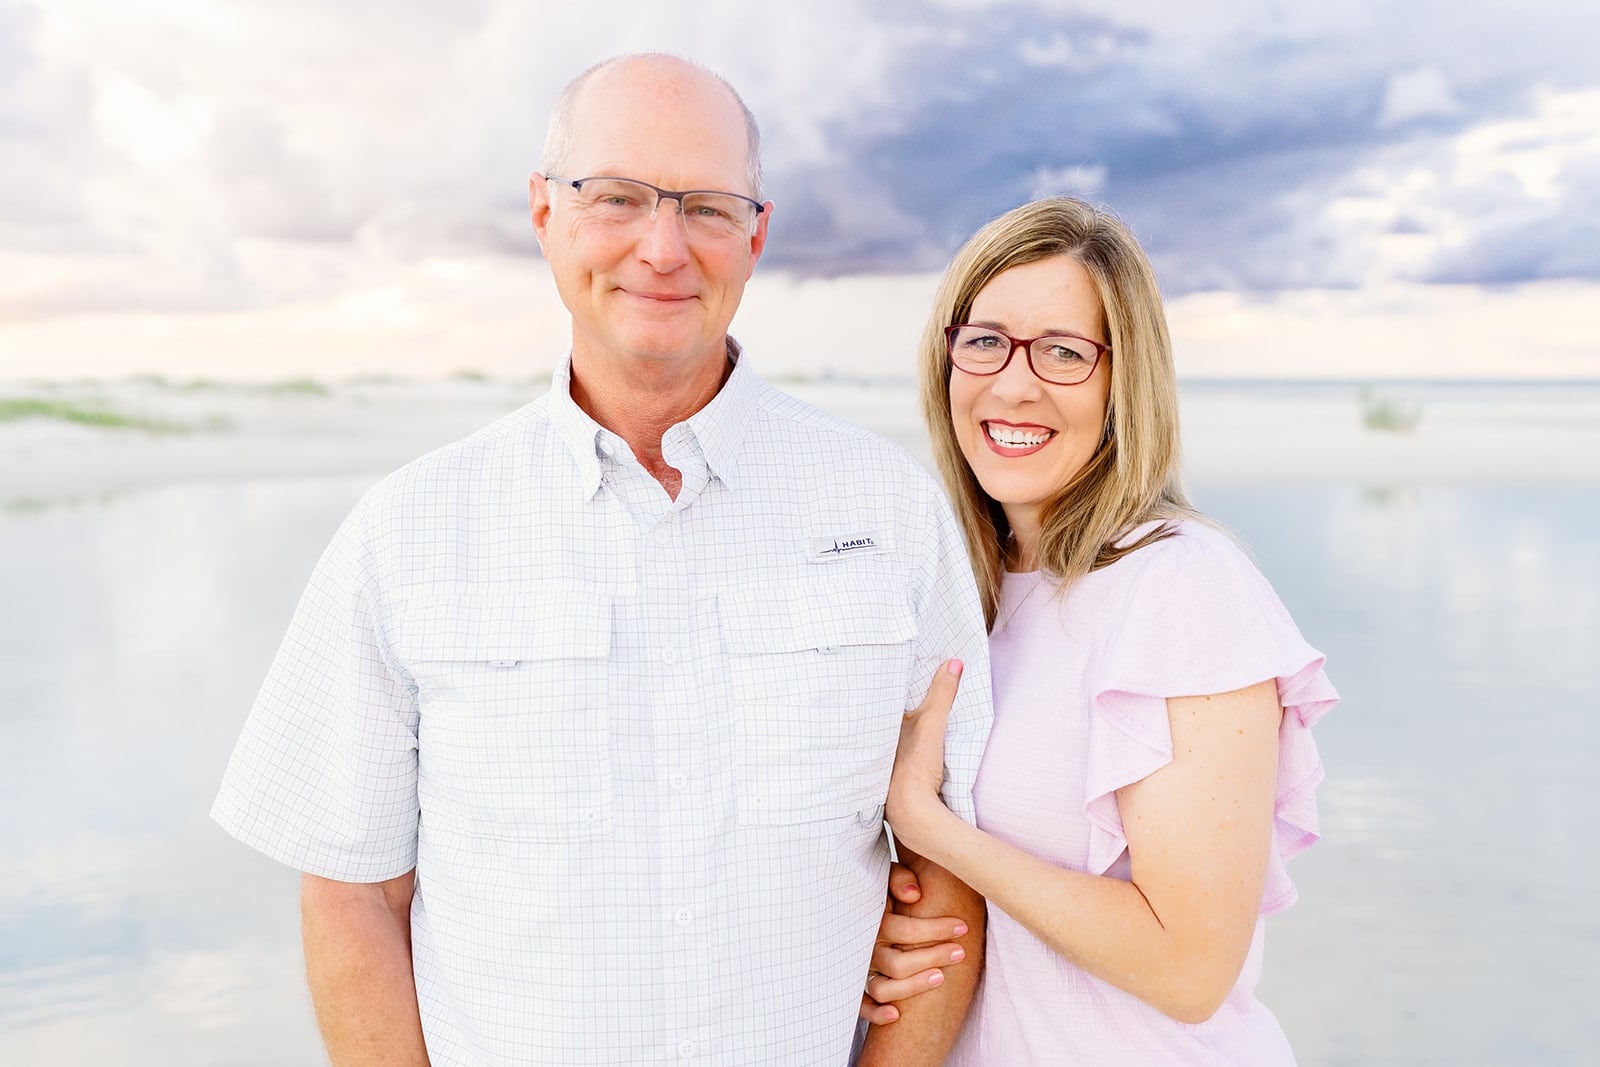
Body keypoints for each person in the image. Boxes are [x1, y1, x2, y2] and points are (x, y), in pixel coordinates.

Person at [210, 53, 990, 1066]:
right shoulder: (407, 532)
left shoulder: (887, 511)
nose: (661, 248)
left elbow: (954, 864)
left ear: (755, 233)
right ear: (545, 214)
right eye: (615, 197)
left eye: (706, 207)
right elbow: (354, 890)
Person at [869, 197, 1339, 1063]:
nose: (1014, 383)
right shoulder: (965, 592)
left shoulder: (1181, 585)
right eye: (985, 341)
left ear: (1126, 383)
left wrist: (937, 832)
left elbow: (1189, 966)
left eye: (1062, 351)